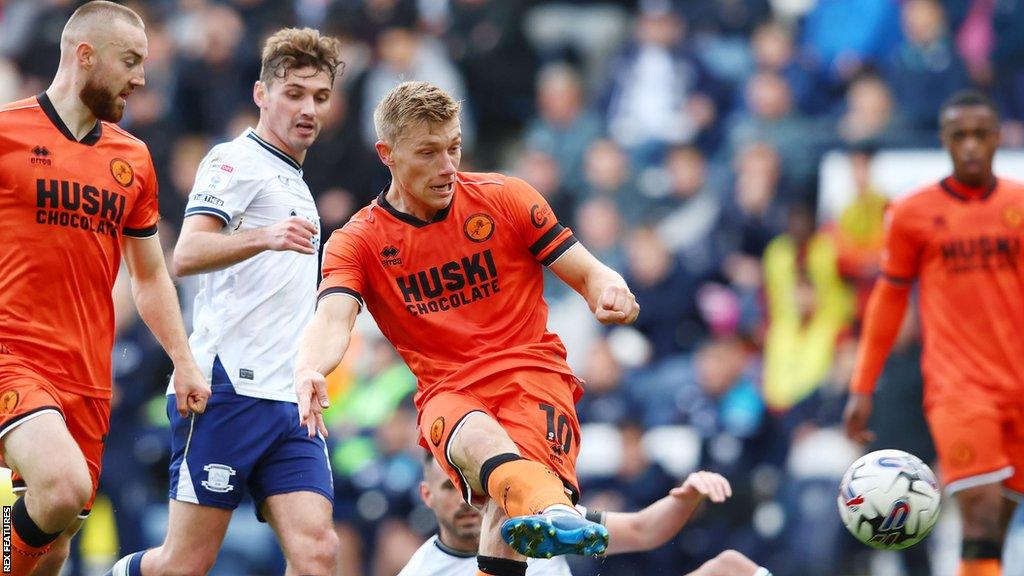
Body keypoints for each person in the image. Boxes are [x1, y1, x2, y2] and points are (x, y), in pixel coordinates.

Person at [294, 80, 640, 576]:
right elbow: (332, 319)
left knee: (503, 527)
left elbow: (588, 272)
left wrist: (610, 290)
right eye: (429, 152)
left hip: (533, 378)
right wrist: (310, 367)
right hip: (448, 389)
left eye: (454, 147)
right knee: (487, 451)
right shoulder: (358, 242)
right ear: (386, 154)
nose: (448, 166)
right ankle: (554, 510)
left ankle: (545, 507)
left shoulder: (507, 198)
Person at [105, 28, 344, 576]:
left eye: (320, 97)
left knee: (319, 552)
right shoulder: (235, 160)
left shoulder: (294, 176)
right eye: (294, 94)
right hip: (226, 388)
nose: (308, 109)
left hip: (288, 399)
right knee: (184, 564)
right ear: (261, 94)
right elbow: (186, 253)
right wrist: (266, 235)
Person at [0, 2, 211, 574]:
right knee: (61, 488)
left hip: (89, 377)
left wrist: (183, 359)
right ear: (84, 54)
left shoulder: (133, 159)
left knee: (55, 540)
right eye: (130, 61)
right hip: (14, 356)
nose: (141, 78)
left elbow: (148, 276)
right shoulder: (6, 133)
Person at [844, 89, 1024, 576]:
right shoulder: (912, 213)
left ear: (997, 138)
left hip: (1019, 387)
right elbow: (887, 302)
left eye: (979, 135)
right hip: (958, 390)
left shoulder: (1020, 205)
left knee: (993, 534)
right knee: (980, 514)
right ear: (944, 140)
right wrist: (863, 386)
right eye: (959, 135)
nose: (970, 146)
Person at [400, 453, 772, 576]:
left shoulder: (541, 518)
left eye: (476, 487)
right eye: (452, 488)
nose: (468, 500)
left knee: (731, 567)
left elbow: (644, 530)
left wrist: (687, 497)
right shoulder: (420, 571)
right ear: (427, 496)